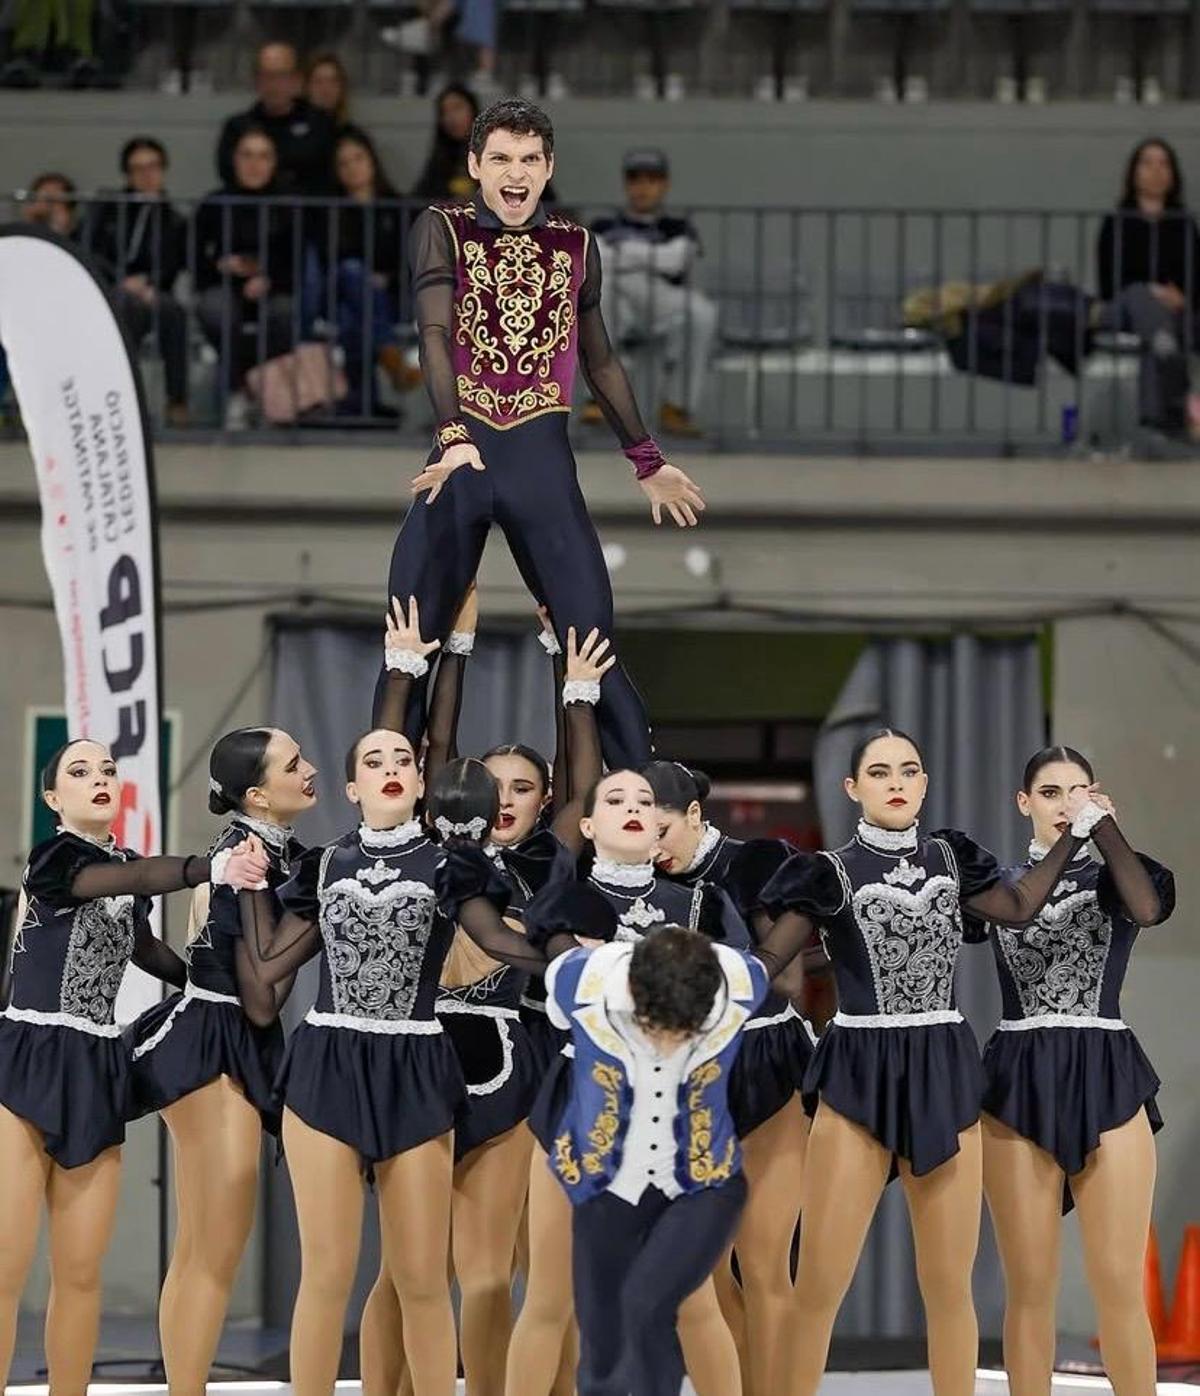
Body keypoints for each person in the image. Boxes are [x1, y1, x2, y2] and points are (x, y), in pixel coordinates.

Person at [759, 727, 1108, 1394]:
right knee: (820, 1284)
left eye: (909, 770)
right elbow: (769, 963)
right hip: (857, 1067)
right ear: (852, 788)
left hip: (943, 1070)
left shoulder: (955, 859)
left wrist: (1074, 835)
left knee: (950, 1289)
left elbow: (1019, 905)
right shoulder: (827, 871)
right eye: (881, 771)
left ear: (923, 784)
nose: (896, 782)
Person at [379, 99, 706, 772]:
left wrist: (646, 459)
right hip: (461, 459)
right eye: (500, 158)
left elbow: (601, 359)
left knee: (593, 645)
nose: (515, 173)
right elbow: (435, 335)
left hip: (543, 465)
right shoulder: (442, 227)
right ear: (474, 166)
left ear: (549, 167)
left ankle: (638, 808)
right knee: (410, 644)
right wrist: (452, 432)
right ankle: (388, 826)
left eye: (530, 159)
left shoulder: (577, 245)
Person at [236, 747, 546, 1396]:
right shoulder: (323, 867)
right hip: (327, 1065)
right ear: (353, 786)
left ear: (422, 785)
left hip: (415, 1067)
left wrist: (580, 964)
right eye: (374, 760)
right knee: (326, 1275)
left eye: (403, 756)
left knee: (422, 1280)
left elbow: (497, 942)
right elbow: (266, 971)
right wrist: (243, 888)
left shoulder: (450, 866)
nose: (391, 766)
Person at [359, 593, 606, 1396]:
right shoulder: (439, 847)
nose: (505, 797)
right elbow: (422, 746)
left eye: (524, 786)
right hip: (421, 1054)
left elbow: (585, 779)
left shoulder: (554, 856)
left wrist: (569, 683)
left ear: (542, 800)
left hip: (514, 1060)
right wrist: (445, 651)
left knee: (494, 1271)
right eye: (490, 784)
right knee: (404, 1273)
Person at [0, 739, 262, 1393]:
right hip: (28, 1054)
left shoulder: (125, 862)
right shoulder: (54, 858)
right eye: (80, 772)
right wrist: (207, 867)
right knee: (5, 1268)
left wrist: (204, 984)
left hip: (96, 1064)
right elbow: (128, 882)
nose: (99, 779)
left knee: (81, 1271)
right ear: (53, 799)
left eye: (109, 770)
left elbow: (144, 944)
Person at [978, 746, 1174, 1396]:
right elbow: (1018, 909)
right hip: (1017, 1079)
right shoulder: (999, 884)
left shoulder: (1117, 876)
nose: (1066, 803)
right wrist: (1075, 837)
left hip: (1106, 1071)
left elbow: (1147, 909)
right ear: (1024, 801)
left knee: (1118, 1281)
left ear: (1097, 795)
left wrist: (1105, 828)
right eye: (1052, 791)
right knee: (1029, 1285)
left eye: (1078, 790)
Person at [126, 727, 316, 1396]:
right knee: (215, 1241)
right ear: (259, 793)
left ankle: (186, 1388)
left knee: (205, 1242)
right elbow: (262, 1001)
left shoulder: (272, 851)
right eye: (296, 764)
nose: (311, 770)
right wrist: (319, 917)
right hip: (214, 1040)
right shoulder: (248, 858)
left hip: (228, 1036)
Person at [544, 924, 802, 1396]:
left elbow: (780, 963)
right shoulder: (582, 981)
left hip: (702, 1185)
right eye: (659, 1027)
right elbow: (553, 963)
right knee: (600, 1342)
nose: (669, 1042)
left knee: (646, 1302)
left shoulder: (740, 982)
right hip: (605, 1182)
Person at [644, 761, 815, 1396]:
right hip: (690, 1078)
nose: (652, 846)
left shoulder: (758, 862)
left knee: (766, 1264)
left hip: (768, 1064)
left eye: (663, 830)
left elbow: (788, 976)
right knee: (704, 1276)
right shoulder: (640, 885)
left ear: (693, 815)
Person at [588, 149, 717, 439]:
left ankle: (676, 406)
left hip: (661, 302)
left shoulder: (679, 227)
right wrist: (652, 257)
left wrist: (622, 253)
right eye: (635, 179)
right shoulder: (603, 225)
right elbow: (595, 260)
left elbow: (677, 261)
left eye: (652, 179)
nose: (643, 187)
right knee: (599, 292)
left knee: (702, 314)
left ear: (665, 185)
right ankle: (601, 397)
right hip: (618, 300)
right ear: (625, 184)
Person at [193, 126, 301, 423]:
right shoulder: (213, 204)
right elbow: (196, 261)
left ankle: (264, 394)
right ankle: (237, 392)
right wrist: (222, 267)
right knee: (217, 310)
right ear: (234, 160)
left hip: (274, 291)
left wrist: (268, 279)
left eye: (263, 156)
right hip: (224, 289)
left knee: (284, 312)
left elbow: (298, 262)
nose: (255, 164)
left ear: (274, 162)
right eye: (247, 155)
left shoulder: (288, 206)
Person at [1096, 137, 1200, 439]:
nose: (1156, 171)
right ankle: (1176, 411)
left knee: (1158, 335)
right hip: (1127, 308)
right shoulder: (1115, 223)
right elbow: (1110, 284)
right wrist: (1152, 293)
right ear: (1133, 173)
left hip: (1176, 314)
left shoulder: (1184, 224)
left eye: (1164, 163)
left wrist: (1181, 299)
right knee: (1142, 297)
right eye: (1147, 163)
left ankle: (1155, 424)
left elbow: (1197, 279)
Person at [85, 137, 190, 426]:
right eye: (138, 168)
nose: (146, 175)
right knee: (123, 305)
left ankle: (177, 401)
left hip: (152, 291)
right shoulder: (108, 208)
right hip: (109, 289)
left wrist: (147, 284)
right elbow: (90, 250)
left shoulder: (174, 219)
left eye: (153, 167)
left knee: (174, 312)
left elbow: (173, 263)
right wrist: (120, 280)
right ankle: (121, 397)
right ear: (127, 174)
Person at [328, 126, 409, 415]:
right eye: (344, 163)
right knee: (351, 273)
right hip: (343, 295)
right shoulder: (332, 211)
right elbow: (332, 259)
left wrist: (385, 278)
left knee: (354, 322)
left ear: (372, 160)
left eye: (358, 158)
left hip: (392, 296)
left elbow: (410, 258)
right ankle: (391, 360)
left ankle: (362, 406)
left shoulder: (397, 206)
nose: (352, 168)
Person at [216, 42, 335, 195]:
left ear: (296, 80)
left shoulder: (319, 123)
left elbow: (326, 175)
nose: (273, 84)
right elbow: (230, 175)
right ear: (256, 80)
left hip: (307, 213)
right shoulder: (237, 127)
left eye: (281, 75)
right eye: (266, 76)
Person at [413, 83, 479, 202]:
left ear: (473, 110)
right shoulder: (440, 158)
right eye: (445, 112)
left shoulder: (491, 153)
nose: (451, 118)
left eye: (457, 108)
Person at [304, 51, 351, 135]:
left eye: (333, 81)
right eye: (318, 82)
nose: (326, 89)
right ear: (306, 88)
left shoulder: (351, 136)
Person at [19, 172, 77, 237]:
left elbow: (61, 232)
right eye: (45, 199)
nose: (47, 206)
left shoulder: (82, 237)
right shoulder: (19, 238)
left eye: (53, 200)